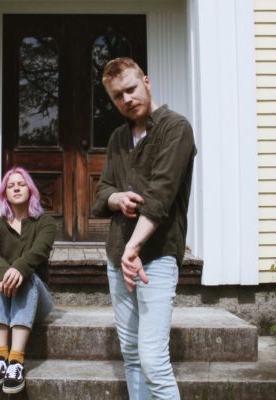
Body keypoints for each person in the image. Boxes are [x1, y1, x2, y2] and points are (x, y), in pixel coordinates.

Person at [92, 57, 196, 399]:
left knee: (153, 360)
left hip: (156, 256)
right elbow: (102, 191)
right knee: (132, 355)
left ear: (146, 82)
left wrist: (133, 248)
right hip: (119, 257)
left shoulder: (176, 128)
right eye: (118, 96)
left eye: (131, 89)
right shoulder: (118, 138)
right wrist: (117, 198)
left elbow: (160, 195)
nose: (127, 99)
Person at [0, 167, 56, 394]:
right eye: (11, 185)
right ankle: (0, 357)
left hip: (37, 299)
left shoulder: (45, 223)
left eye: (21, 184)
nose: (16, 188)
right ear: (5, 193)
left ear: (30, 190)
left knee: (27, 275)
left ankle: (16, 361)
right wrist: (6, 274)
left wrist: (18, 270)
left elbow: (38, 252)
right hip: (4, 297)